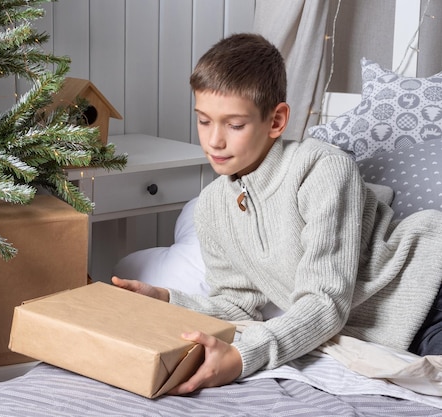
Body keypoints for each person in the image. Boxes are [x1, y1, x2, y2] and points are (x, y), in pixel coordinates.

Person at [112, 33, 442, 395]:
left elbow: (325, 303)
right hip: (388, 336)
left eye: (234, 125)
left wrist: (241, 357)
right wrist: (168, 301)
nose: (214, 141)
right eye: (204, 121)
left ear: (276, 120)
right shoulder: (211, 207)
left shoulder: (322, 168)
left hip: (430, 287)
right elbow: (239, 306)